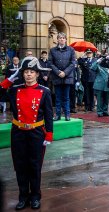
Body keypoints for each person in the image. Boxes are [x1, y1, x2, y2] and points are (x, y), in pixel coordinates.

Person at [0, 57, 53, 210]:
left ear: (37, 74)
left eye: (32, 72)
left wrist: (49, 134)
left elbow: (49, 115)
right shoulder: (15, 89)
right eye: (26, 72)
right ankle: (23, 196)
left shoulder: (45, 91)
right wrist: (9, 80)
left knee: (35, 166)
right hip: (18, 132)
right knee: (20, 166)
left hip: (36, 132)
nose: (28, 75)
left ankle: (35, 196)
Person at [49, 32, 76, 121]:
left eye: (63, 38)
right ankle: (57, 115)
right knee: (58, 97)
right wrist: (58, 72)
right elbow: (50, 63)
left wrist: (65, 72)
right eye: (60, 38)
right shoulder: (52, 50)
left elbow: (73, 63)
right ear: (57, 39)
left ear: (65, 39)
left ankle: (67, 115)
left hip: (67, 77)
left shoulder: (71, 50)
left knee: (66, 97)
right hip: (57, 76)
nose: (61, 39)